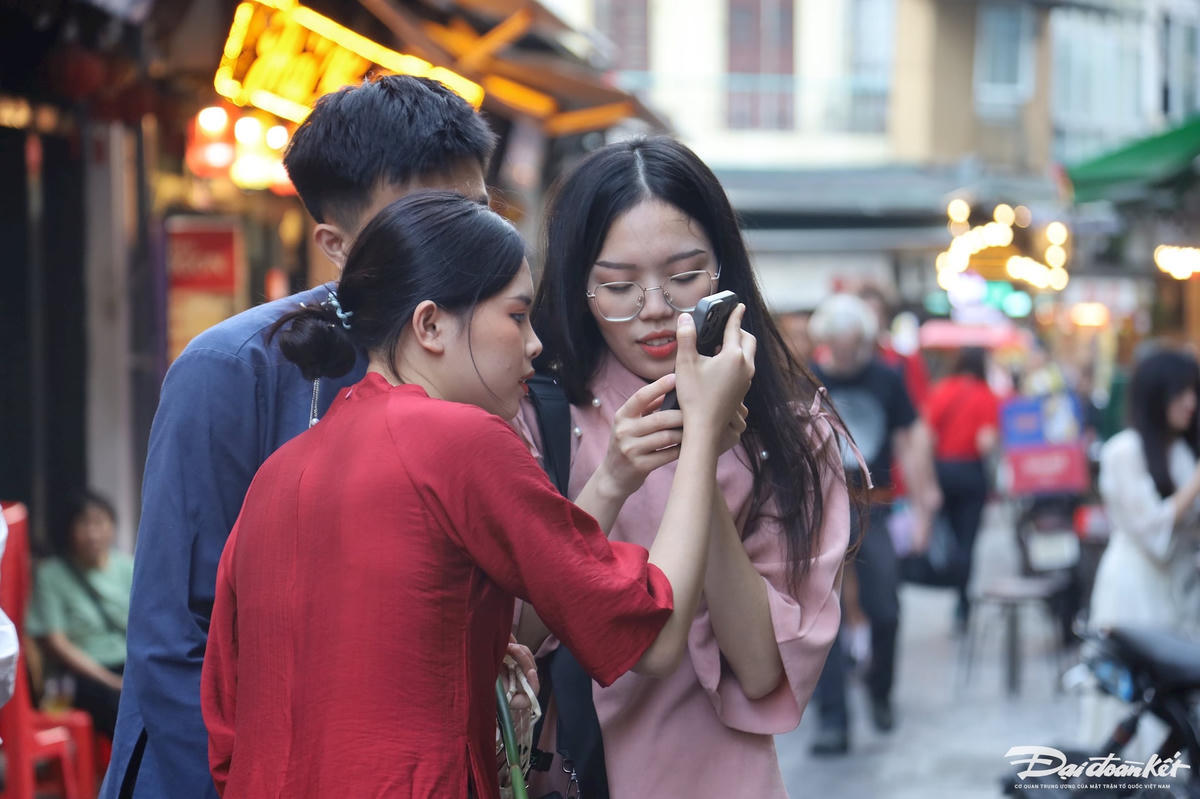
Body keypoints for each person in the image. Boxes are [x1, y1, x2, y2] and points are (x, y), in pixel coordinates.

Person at [200, 191, 757, 797]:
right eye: (516, 317)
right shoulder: (460, 439)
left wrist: (614, 480)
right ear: (431, 325)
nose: (534, 344)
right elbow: (655, 634)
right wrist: (702, 432)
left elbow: (227, 721)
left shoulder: (281, 472)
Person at [104, 76, 499, 799]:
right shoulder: (232, 369)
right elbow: (171, 639)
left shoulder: (493, 357)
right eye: (424, 218)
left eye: (472, 213)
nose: (460, 247)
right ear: (336, 245)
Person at [517, 136, 853, 797]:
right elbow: (516, 634)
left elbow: (760, 669)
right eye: (616, 284)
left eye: (684, 275)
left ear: (725, 268)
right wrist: (622, 474)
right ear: (576, 285)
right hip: (575, 775)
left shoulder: (791, 429)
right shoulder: (537, 414)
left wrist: (703, 438)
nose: (652, 308)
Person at [806, 292, 940, 756]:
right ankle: (832, 721)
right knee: (822, 614)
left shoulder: (886, 378)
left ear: (863, 340)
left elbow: (908, 441)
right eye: (836, 344)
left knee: (885, 608)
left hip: (874, 506)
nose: (844, 354)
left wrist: (924, 506)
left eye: (852, 344)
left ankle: (880, 691)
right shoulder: (809, 376)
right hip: (819, 510)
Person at [1081, 349, 1200, 755]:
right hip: (1134, 591)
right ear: (1157, 394)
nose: (1192, 402)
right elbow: (1153, 531)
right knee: (1133, 704)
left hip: (1183, 593)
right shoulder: (1124, 451)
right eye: (1182, 392)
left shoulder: (1185, 452)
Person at [26, 490, 133, 736]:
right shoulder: (52, 575)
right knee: (122, 709)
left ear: (113, 526)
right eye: (84, 524)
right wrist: (111, 681)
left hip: (130, 667)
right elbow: (56, 643)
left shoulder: (128, 567)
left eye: (100, 522)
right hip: (84, 676)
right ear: (69, 530)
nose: (93, 534)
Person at [922, 347, 999, 626]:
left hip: (943, 471)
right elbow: (985, 443)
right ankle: (962, 600)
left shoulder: (941, 390)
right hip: (971, 474)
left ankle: (952, 579)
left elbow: (928, 437)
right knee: (968, 540)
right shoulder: (986, 395)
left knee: (950, 535)